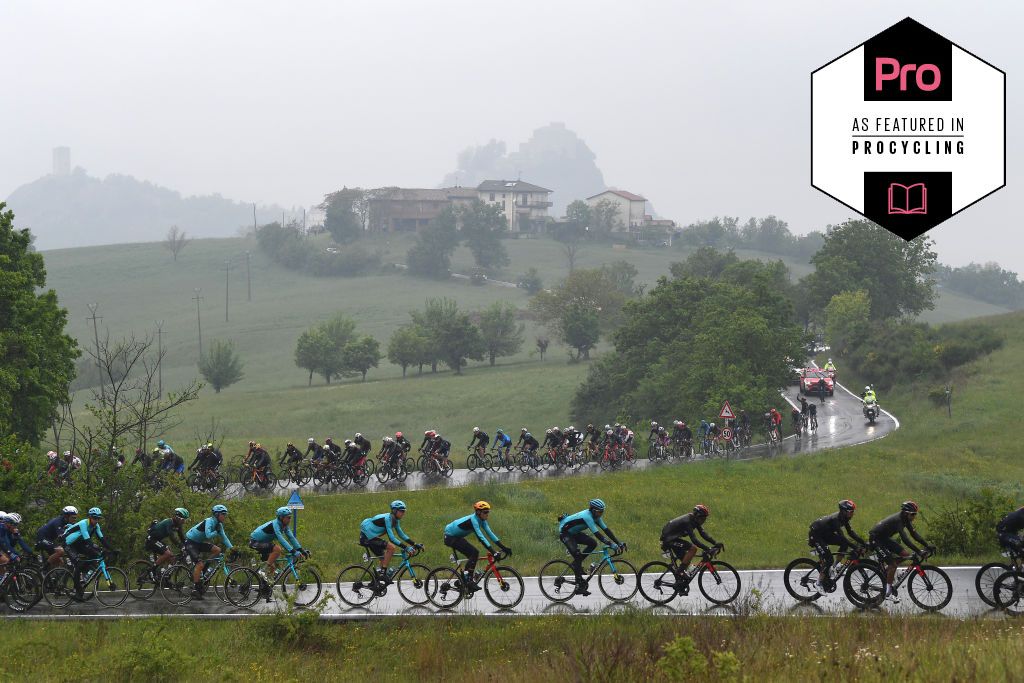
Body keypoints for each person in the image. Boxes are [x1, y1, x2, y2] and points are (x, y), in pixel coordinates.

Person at [869, 501, 934, 603]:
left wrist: (927, 545)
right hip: (876, 539)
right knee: (893, 565)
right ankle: (887, 593)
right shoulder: (898, 520)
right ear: (906, 513)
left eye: (915, 514)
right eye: (913, 514)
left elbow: (914, 535)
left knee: (906, 555)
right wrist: (918, 551)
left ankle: (888, 570)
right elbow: (905, 540)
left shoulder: (906, 519)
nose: (914, 516)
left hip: (884, 538)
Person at [558, 499, 623, 596]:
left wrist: (619, 542)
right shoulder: (587, 516)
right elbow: (597, 534)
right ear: (593, 510)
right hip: (565, 533)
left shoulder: (596, 517)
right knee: (578, 555)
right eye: (600, 511)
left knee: (593, 543)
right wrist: (611, 544)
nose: (601, 514)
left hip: (574, 533)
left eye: (602, 511)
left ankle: (577, 564)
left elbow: (606, 530)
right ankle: (579, 587)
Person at [444, 501, 510, 592]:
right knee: (474, 553)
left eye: (488, 512)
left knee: (473, 555)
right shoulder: (473, 520)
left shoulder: (482, 520)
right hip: (450, 537)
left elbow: (490, 534)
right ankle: (469, 581)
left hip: (457, 537)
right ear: (479, 512)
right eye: (485, 512)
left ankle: (463, 580)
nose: (487, 514)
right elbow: (481, 538)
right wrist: (493, 552)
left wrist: (504, 547)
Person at [808, 500, 867, 591]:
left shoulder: (844, 518)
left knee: (843, 544)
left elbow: (851, 533)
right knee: (829, 559)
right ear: (844, 511)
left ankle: (834, 567)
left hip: (825, 534)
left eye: (853, 512)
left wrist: (864, 543)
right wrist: (856, 547)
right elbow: (843, 537)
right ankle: (818, 583)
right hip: (816, 535)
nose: (852, 514)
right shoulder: (836, 519)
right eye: (851, 512)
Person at [360, 500, 421, 582]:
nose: (403, 513)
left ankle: (376, 584)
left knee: (384, 559)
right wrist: (406, 548)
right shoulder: (387, 519)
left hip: (371, 537)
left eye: (404, 511)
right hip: (367, 538)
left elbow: (401, 535)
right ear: (394, 510)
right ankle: (383, 574)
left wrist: (415, 544)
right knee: (391, 547)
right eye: (401, 511)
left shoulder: (395, 520)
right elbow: (391, 538)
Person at [185, 504, 233, 599]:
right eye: (223, 514)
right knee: (199, 564)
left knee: (217, 550)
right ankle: (195, 589)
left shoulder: (219, 525)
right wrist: (216, 532)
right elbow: (208, 535)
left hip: (198, 542)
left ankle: (205, 567)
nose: (225, 516)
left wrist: (232, 549)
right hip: (190, 542)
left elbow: (225, 538)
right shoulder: (209, 521)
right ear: (216, 514)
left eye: (225, 514)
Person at [62, 508, 115, 594]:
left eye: (98, 518)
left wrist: (113, 549)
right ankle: (77, 590)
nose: (96, 520)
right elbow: (88, 540)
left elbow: (102, 539)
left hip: (79, 544)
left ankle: (84, 576)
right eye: (94, 518)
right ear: (90, 517)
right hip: (68, 544)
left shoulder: (96, 526)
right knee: (78, 564)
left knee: (95, 556)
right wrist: (98, 548)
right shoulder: (83, 523)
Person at [249, 507, 308, 581]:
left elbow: (291, 537)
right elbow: (281, 539)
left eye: (290, 518)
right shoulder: (275, 524)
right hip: (255, 542)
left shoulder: (284, 526)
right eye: (288, 518)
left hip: (262, 543)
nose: (290, 520)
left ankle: (265, 586)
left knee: (272, 568)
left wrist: (301, 550)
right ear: (281, 517)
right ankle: (263, 571)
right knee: (277, 549)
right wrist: (292, 551)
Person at [660, 505, 720, 576]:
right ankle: (678, 572)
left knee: (686, 561)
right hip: (668, 540)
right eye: (703, 518)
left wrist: (715, 543)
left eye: (705, 518)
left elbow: (703, 534)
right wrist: (707, 548)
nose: (704, 520)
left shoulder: (695, 520)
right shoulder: (687, 522)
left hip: (673, 538)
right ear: (697, 516)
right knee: (693, 549)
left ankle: (680, 579)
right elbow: (694, 540)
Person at [145, 508, 189, 573]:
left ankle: (164, 575)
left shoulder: (178, 525)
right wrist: (181, 546)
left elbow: (182, 537)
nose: (183, 522)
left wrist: (188, 545)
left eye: (185, 520)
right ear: (177, 517)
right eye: (183, 519)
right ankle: (151, 570)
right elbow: (172, 537)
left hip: (157, 540)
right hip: (151, 540)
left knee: (172, 559)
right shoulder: (169, 522)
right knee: (167, 553)